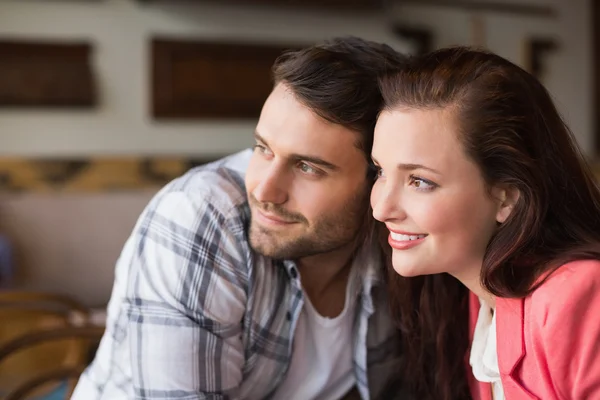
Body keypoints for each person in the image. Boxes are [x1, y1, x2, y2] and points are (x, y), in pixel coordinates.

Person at [71, 37, 409, 400]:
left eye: (308, 167)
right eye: (262, 148)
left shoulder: (400, 238)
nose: (264, 191)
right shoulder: (200, 216)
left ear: (380, 181)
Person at [370, 46, 600, 400]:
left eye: (419, 181)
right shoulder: (472, 302)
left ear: (507, 196)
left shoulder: (578, 296)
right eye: (380, 172)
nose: (381, 209)